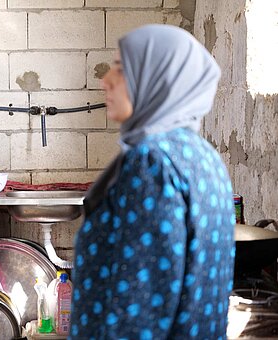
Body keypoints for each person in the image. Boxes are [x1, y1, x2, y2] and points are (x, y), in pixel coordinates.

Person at [70, 24, 235, 339]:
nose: (106, 80)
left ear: (158, 77)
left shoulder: (152, 163)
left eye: (120, 68)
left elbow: (138, 304)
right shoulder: (204, 156)